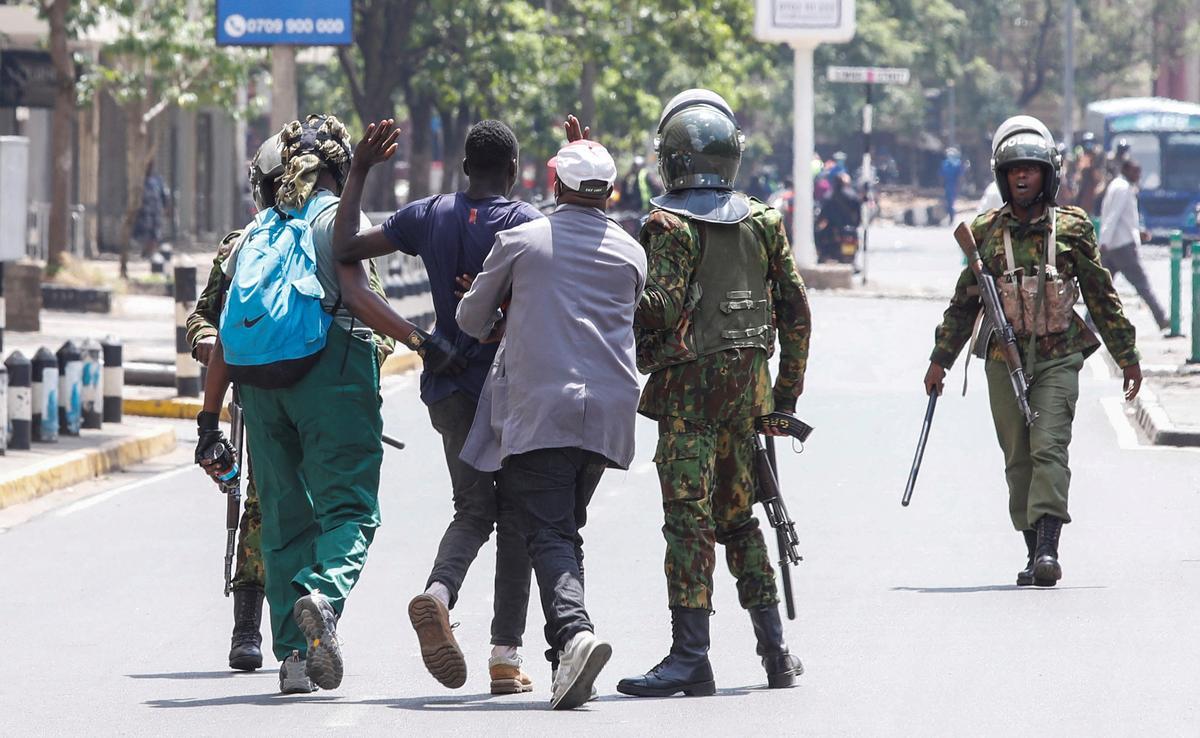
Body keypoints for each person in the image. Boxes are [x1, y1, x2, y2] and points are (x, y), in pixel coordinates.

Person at [331, 118, 541, 695]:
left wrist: (360, 169)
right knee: (519, 517)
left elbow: (345, 247)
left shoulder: (429, 214)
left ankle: (439, 594)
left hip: (447, 389)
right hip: (507, 394)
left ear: (464, 167)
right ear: (514, 172)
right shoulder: (525, 223)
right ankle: (504, 658)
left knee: (473, 510)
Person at [195, 114, 400, 695]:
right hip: (331, 376)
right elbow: (365, 303)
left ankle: (292, 660)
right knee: (352, 511)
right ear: (339, 169)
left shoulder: (254, 234)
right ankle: (324, 595)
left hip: (257, 390)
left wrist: (209, 422)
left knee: (284, 521)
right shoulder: (338, 220)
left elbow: (228, 337)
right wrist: (418, 341)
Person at [617, 89, 810, 698]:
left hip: (686, 401)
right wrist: (784, 399)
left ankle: (690, 656)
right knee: (741, 521)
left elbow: (662, 307)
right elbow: (797, 315)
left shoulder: (666, 224)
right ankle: (776, 653)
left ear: (671, 159)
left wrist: (615, 280)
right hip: (747, 402)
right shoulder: (764, 220)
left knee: (689, 523)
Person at [456, 132, 646, 710]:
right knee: (563, 529)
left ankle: (573, 634)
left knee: (548, 531)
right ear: (610, 193)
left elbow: (469, 320)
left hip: (543, 410)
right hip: (610, 415)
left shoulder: (523, 239)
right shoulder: (631, 251)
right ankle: (567, 653)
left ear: (554, 184)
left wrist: (503, 311)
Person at [923, 115, 1142, 589]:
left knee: (1049, 447)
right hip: (1004, 361)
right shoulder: (984, 232)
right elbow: (965, 302)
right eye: (1014, 170)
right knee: (1018, 458)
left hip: (1058, 356)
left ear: (1048, 175)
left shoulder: (1073, 227)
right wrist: (940, 360)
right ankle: (1031, 549)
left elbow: (1102, 295)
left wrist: (1128, 355)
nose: (1023, 177)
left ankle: (1048, 549)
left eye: (1032, 169)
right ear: (1003, 178)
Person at [184, 134, 285, 673]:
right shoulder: (241, 245)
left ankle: (307, 629)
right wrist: (216, 349)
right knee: (260, 506)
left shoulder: (332, 239)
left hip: (315, 402)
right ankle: (248, 627)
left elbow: (370, 325)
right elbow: (202, 317)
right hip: (265, 401)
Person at [1099, 159, 1170, 332]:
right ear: (1127, 170)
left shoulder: (1118, 185)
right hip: (1122, 247)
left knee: (1101, 288)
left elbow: (1123, 220)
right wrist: (1104, 241)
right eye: (1136, 171)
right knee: (1142, 284)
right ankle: (1161, 318)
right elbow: (1113, 216)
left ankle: (1090, 320)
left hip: (1114, 245)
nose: (1139, 175)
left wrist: (1138, 232)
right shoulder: (1122, 188)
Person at [133, 159, 170, 258]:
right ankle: (146, 251)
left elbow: (165, 195)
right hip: (144, 212)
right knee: (145, 232)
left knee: (155, 233)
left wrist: (166, 207)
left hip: (156, 212)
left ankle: (151, 252)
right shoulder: (140, 179)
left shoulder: (157, 179)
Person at [941, 147, 964, 224]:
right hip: (947, 185)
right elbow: (941, 175)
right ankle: (949, 216)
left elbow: (960, 177)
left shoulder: (958, 164)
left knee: (951, 202)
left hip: (954, 185)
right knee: (947, 201)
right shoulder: (945, 164)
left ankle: (951, 217)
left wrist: (959, 186)